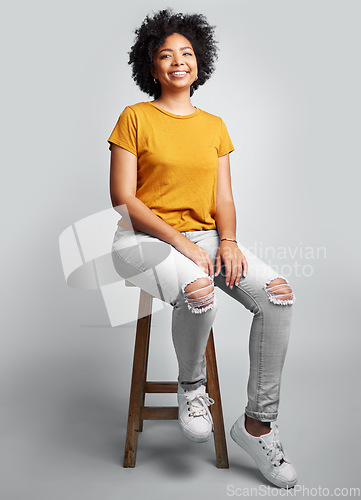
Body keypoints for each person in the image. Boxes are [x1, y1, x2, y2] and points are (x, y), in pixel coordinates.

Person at [108, 8, 297, 488]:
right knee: (198, 289)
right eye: (166, 54)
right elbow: (123, 200)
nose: (178, 61)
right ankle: (191, 388)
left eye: (187, 53)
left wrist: (227, 242)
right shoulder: (134, 118)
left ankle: (258, 424)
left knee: (278, 293)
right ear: (151, 67)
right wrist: (183, 246)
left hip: (207, 238)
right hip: (142, 240)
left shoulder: (214, 125)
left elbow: (223, 198)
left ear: (199, 63)